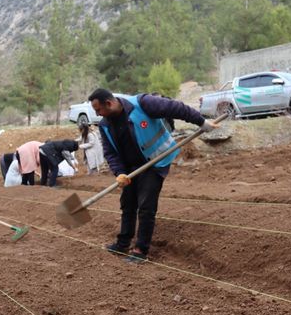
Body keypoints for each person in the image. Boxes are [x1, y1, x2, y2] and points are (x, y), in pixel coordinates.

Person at [88, 88, 218, 263]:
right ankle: (122, 243)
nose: (98, 114)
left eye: (99, 110)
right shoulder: (105, 124)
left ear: (109, 103)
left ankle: (141, 249)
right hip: (129, 169)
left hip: (155, 161)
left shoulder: (142, 103)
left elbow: (176, 108)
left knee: (146, 206)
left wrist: (201, 122)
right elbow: (110, 152)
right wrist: (119, 172)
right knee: (127, 204)